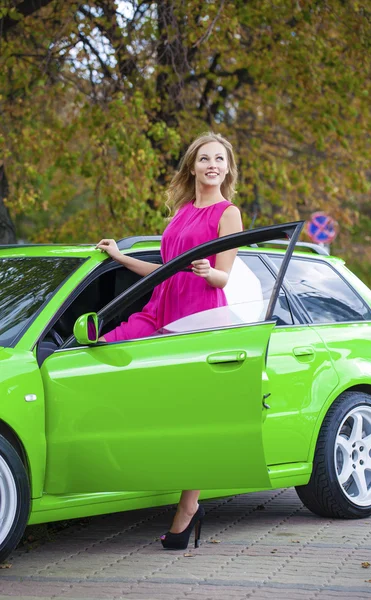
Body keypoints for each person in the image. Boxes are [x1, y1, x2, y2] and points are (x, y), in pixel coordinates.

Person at [96, 131, 243, 550]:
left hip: (199, 313)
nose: (212, 165)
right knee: (105, 349)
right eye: (204, 159)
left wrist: (205, 270)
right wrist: (122, 258)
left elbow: (223, 277)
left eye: (219, 159)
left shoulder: (227, 213)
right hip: (161, 307)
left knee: (191, 415)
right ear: (193, 167)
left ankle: (187, 509)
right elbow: (164, 270)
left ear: (227, 169)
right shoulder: (179, 213)